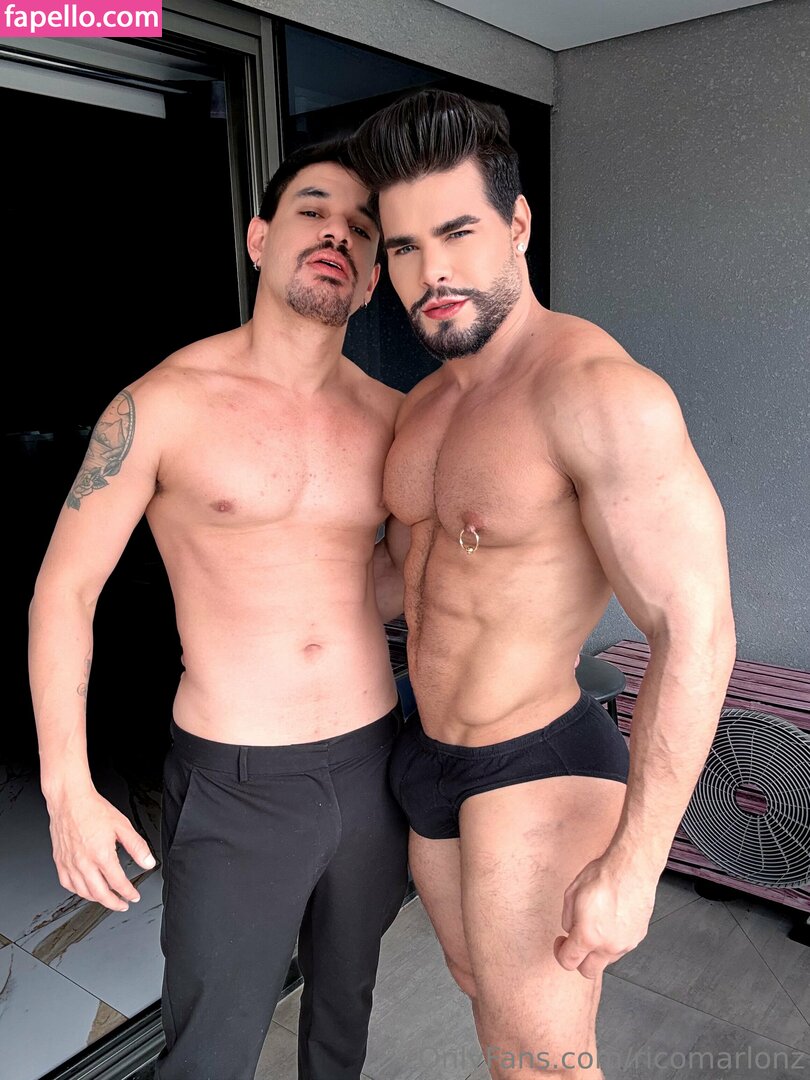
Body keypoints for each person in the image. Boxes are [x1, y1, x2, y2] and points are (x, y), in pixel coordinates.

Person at [349, 91, 736, 1079]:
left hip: (535, 766)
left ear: (518, 225)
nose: (431, 273)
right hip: (426, 755)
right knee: (484, 997)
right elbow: (407, 578)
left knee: (542, 1061)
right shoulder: (424, 406)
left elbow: (695, 627)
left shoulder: (599, 394)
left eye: (458, 233)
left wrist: (636, 865)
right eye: (404, 247)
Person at [28, 138, 410, 1080]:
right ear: (259, 237)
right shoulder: (162, 405)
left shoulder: (395, 417)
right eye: (313, 211)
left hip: (374, 759)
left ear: (372, 279)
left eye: (362, 229)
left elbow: (391, 579)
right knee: (211, 1047)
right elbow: (64, 591)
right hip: (238, 780)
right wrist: (67, 786)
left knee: (345, 1017)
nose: (337, 234)